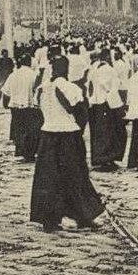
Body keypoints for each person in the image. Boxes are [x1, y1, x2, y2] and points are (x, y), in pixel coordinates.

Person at [30, 56, 104, 232]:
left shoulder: (41, 88)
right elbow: (80, 112)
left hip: (47, 136)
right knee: (75, 177)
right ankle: (83, 216)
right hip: (68, 136)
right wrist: (78, 130)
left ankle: (49, 219)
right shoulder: (70, 88)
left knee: (48, 179)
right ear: (66, 69)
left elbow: (37, 112)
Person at [87, 48, 127, 171]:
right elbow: (110, 89)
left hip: (95, 104)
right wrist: (119, 107)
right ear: (109, 57)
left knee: (99, 133)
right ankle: (106, 159)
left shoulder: (93, 69)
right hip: (107, 104)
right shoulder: (109, 70)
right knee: (111, 133)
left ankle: (100, 158)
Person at [2, 54, 41, 162]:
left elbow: (6, 91)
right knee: (31, 130)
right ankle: (30, 153)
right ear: (29, 63)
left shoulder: (13, 75)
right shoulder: (34, 75)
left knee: (19, 129)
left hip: (15, 106)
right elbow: (37, 91)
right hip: (30, 106)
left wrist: (8, 103)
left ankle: (21, 150)